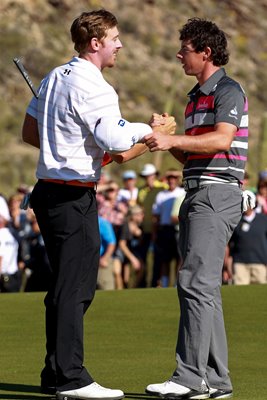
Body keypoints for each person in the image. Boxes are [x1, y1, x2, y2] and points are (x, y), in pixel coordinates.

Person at [21, 9, 175, 400]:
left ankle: (55, 371)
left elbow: (30, 131)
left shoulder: (55, 75)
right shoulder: (96, 86)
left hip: (51, 191)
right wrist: (152, 130)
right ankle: (72, 378)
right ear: (96, 43)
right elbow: (115, 139)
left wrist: (71, 149)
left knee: (64, 286)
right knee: (75, 287)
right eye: (115, 39)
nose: (120, 45)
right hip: (71, 196)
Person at [143, 18, 248, 399]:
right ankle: (216, 380)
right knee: (205, 289)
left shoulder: (228, 90)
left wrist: (171, 137)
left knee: (193, 283)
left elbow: (221, 139)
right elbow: (191, 156)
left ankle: (189, 378)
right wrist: (164, 141)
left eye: (184, 48)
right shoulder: (194, 97)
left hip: (216, 195)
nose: (178, 54)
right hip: (196, 193)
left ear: (205, 52)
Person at [151, 169, 185, 287]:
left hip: (179, 229)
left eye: (174, 178)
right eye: (169, 178)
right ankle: (165, 283)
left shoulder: (182, 192)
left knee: (178, 258)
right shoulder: (161, 195)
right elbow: (156, 216)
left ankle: (176, 283)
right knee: (165, 259)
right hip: (165, 229)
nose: (172, 180)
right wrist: (155, 233)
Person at [137, 163, 168, 287]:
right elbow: (140, 209)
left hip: (158, 228)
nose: (147, 178)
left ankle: (156, 283)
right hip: (144, 229)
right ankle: (142, 284)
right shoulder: (141, 190)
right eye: (145, 176)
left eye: (150, 175)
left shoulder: (163, 188)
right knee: (142, 257)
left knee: (158, 258)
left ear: (155, 175)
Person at [228, 191, 267, 285]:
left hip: (260, 263)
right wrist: (228, 265)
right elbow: (229, 245)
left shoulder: (264, 220)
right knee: (240, 294)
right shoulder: (235, 221)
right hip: (240, 264)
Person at [97, 216, 117, 290]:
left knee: (106, 288)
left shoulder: (102, 223)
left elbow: (112, 243)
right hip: (87, 263)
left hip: (101, 262)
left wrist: (105, 258)